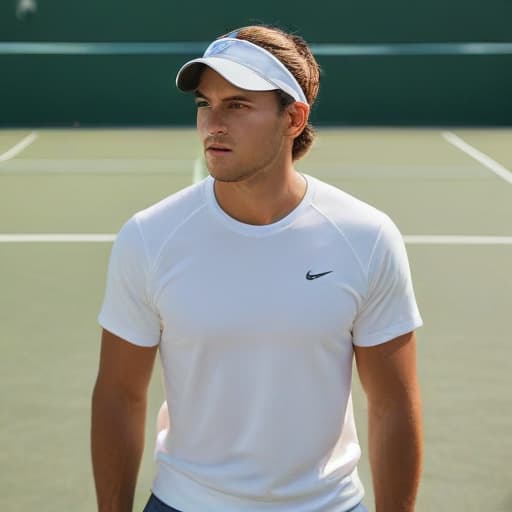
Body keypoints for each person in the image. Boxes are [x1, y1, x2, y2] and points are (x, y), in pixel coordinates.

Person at [91, 25, 423, 512]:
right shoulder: (148, 237)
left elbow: (394, 406)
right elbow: (119, 394)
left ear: (294, 118)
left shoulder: (366, 238)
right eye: (205, 103)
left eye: (238, 105)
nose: (213, 123)